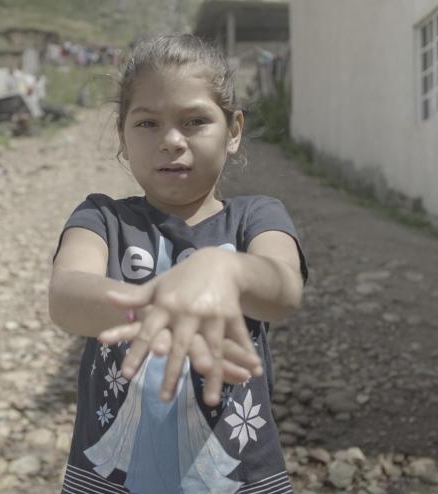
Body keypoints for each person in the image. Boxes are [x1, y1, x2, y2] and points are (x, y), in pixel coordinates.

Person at [49, 34, 308, 494]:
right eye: (148, 124)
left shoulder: (257, 217)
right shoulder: (101, 217)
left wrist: (227, 270)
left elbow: (284, 289)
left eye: (194, 121)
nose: (171, 141)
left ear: (233, 131)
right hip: (110, 480)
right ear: (123, 137)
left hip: (239, 478)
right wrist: (154, 305)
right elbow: (66, 296)